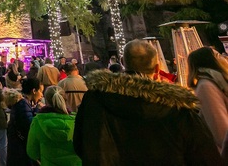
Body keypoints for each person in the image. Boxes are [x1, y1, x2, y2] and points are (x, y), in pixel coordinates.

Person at [74, 39, 222, 165]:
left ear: (123, 62)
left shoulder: (94, 98)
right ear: (158, 67)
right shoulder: (177, 106)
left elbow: (81, 144)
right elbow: (204, 155)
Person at [187, 46, 228, 152]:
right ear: (211, 62)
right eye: (218, 55)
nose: (225, 58)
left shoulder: (220, 82)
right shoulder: (206, 86)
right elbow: (221, 131)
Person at [27, 86, 80, 165]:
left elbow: (32, 151)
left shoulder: (38, 121)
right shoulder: (77, 121)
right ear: (65, 100)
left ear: (46, 101)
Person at [7, 78, 42, 166]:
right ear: (34, 91)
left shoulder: (23, 103)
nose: (41, 95)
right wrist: (37, 110)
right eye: (41, 91)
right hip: (20, 154)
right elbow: (29, 128)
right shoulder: (23, 105)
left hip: (16, 151)